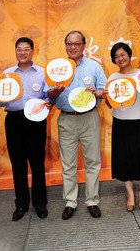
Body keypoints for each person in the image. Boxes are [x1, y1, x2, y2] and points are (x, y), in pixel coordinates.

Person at [45, 30, 107, 220]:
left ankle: (92, 201)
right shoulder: (57, 68)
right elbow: (49, 96)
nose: (72, 47)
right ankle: (70, 202)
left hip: (89, 117)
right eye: (69, 44)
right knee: (68, 163)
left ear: (83, 46)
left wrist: (95, 93)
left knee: (93, 161)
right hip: (66, 119)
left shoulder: (94, 67)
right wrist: (55, 91)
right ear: (65, 46)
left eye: (76, 44)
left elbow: (103, 91)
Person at [0, 37, 48, 221]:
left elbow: (48, 96)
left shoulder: (42, 73)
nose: (23, 52)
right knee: (18, 165)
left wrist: (48, 103)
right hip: (14, 121)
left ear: (33, 51)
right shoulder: (7, 74)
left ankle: (40, 204)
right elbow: (0, 101)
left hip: (36, 121)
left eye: (26, 49)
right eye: (19, 49)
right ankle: (21, 204)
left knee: (37, 164)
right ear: (15, 51)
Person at [106, 42, 140, 212]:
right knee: (123, 159)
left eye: (123, 54)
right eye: (116, 56)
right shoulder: (113, 78)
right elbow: (109, 104)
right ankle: (129, 194)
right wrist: (106, 97)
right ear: (113, 60)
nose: (120, 58)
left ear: (129, 55)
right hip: (121, 122)